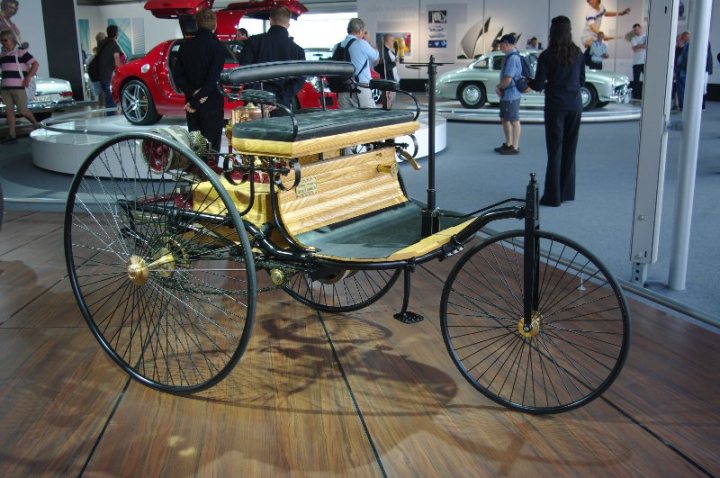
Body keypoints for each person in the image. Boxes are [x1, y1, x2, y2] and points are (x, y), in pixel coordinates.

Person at [529, 15, 585, 207]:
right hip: (575, 105)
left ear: (553, 31)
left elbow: (537, 85)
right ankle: (567, 192)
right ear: (569, 30)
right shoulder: (578, 53)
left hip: (555, 106)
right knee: (570, 150)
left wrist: (526, 80)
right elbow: (582, 80)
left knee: (555, 150)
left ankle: (553, 196)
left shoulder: (547, 55)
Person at [173, 8, 226, 154]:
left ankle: (198, 172)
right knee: (211, 147)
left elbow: (178, 76)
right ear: (214, 25)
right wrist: (199, 98)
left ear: (197, 24)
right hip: (210, 104)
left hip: (191, 105)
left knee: (197, 147)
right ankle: (209, 175)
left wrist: (193, 95)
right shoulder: (218, 47)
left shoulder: (185, 46)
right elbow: (212, 79)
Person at [238, 6, 305, 115]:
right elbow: (299, 81)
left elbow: (243, 72)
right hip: (281, 107)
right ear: (288, 25)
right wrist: (277, 100)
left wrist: (258, 98)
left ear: (270, 21)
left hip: (253, 105)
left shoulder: (253, 42)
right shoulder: (298, 51)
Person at [0, 29, 40, 144]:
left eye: (5, 40)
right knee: (9, 112)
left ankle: (36, 124)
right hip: (5, 88)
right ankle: (12, 135)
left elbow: (35, 64)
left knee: (22, 110)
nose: (3, 43)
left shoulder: (21, 52)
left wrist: (28, 78)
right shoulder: (2, 55)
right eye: (1, 41)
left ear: (12, 39)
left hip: (19, 87)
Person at [337, 17, 379, 109]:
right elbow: (376, 57)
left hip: (342, 90)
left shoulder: (338, 46)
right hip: (360, 88)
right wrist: (368, 41)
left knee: (346, 120)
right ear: (360, 31)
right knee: (370, 119)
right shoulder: (361, 43)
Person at [493, 34, 522, 155]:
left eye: (501, 44)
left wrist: (499, 87)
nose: (500, 46)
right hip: (508, 93)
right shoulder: (509, 56)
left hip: (511, 94)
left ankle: (514, 146)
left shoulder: (512, 58)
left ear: (507, 44)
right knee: (505, 118)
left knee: (514, 120)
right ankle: (509, 143)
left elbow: (508, 79)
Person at [97, 25, 123, 115]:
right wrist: (120, 71)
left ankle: (109, 114)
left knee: (107, 97)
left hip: (100, 74)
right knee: (111, 97)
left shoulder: (101, 43)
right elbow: (116, 59)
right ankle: (110, 116)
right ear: (116, 33)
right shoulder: (114, 44)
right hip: (109, 74)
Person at [375, 33, 399, 107]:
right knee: (387, 103)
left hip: (393, 80)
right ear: (388, 41)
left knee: (390, 102)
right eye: (392, 40)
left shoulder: (390, 51)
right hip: (388, 81)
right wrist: (394, 63)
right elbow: (383, 68)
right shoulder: (382, 52)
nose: (393, 42)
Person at [85, 31, 106, 106]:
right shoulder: (103, 51)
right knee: (104, 94)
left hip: (96, 77)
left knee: (101, 95)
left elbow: (88, 66)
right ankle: (105, 111)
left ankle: (102, 111)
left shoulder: (94, 56)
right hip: (101, 76)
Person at [630, 23, 646, 98]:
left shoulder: (645, 37)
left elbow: (645, 46)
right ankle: (636, 96)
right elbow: (634, 48)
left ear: (640, 28)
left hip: (644, 62)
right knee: (636, 80)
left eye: (637, 29)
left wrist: (639, 46)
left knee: (646, 79)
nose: (636, 31)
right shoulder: (633, 39)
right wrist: (641, 45)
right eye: (634, 30)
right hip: (636, 62)